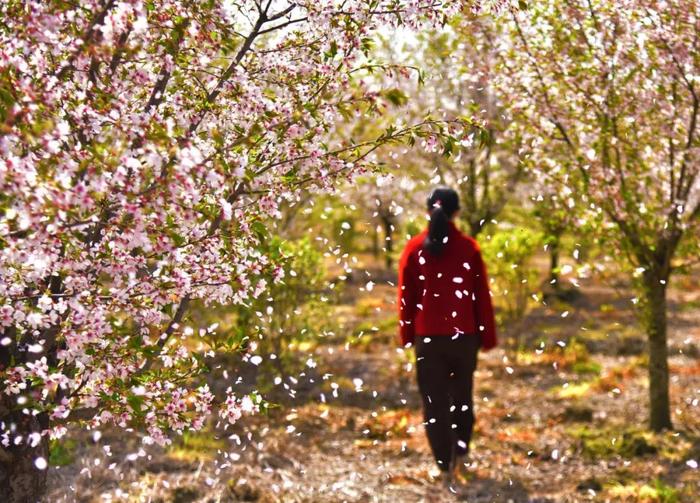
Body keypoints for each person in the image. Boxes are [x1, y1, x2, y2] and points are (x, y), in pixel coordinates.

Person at [397, 186, 497, 491]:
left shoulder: (414, 249)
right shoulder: (469, 247)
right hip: (464, 336)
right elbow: (481, 296)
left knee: (434, 402)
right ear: (457, 212)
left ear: (428, 210)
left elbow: (407, 297)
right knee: (462, 395)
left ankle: (444, 464)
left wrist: (406, 334)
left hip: (429, 338)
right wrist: (487, 335)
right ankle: (461, 452)